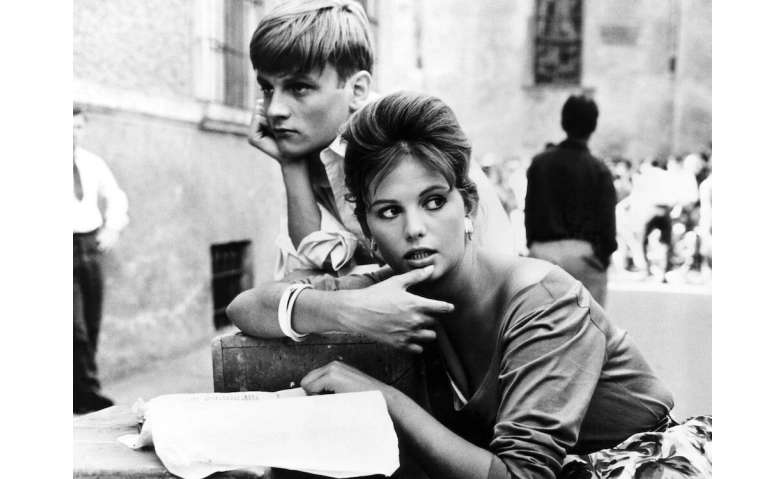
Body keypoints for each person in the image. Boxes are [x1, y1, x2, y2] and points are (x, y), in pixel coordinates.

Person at [226, 92, 712, 479]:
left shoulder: (542, 302)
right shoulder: (396, 289)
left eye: (434, 202)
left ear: (469, 205)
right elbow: (246, 307)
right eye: (389, 211)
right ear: (367, 228)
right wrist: (345, 309)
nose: (414, 229)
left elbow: (521, 475)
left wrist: (383, 399)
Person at [246, 0, 514, 280]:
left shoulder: (411, 137)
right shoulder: (309, 147)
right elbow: (316, 259)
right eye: (267, 88)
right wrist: (290, 164)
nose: (274, 110)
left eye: (299, 87)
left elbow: (498, 260)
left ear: (357, 89)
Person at [523, 94, 617, 307]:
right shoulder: (598, 169)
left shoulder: (539, 163)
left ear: (563, 121)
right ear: (593, 126)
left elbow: (530, 211)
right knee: (588, 323)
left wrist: (534, 246)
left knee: (542, 321)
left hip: (543, 253)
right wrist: (603, 256)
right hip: (585, 256)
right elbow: (607, 220)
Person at [72, 105, 129, 414]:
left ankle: (77, 393)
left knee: (91, 322)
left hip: (90, 246)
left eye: (78, 127)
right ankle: (88, 395)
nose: (72, 133)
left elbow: (115, 195)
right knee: (74, 327)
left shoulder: (92, 163)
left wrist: (113, 227)